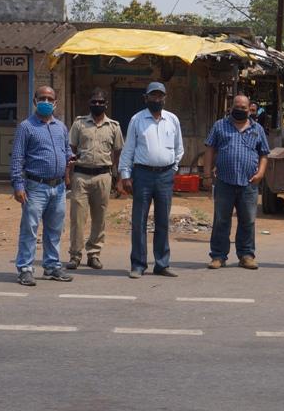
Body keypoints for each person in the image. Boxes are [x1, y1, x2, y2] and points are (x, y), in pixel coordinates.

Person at [118, 82, 185, 279]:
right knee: (139, 221)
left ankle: (162, 264)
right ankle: (138, 264)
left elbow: (179, 148)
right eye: (153, 96)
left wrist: (172, 169)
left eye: (160, 96)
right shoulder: (137, 120)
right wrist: (125, 175)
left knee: (163, 221)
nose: (157, 100)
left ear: (165, 98)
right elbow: (128, 149)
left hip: (165, 176)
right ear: (145, 98)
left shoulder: (172, 120)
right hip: (142, 175)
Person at [11, 85, 74, 285]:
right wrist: (18, 185)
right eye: (42, 98)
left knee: (55, 229)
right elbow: (17, 158)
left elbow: (66, 151)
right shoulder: (26, 127)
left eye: (50, 98)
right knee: (30, 228)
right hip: (35, 186)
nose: (46, 102)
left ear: (56, 102)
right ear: (35, 101)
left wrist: (70, 162)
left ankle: (52, 266)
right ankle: (25, 268)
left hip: (58, 186)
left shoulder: (61, 127)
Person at [204, 94, 270, 269]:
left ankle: (246, 255)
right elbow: (210, 149)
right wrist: (207, 175)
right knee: (221, 220)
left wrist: (261, 173)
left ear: (250, 109)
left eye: (243, 107)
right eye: (237, 106)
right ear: (231, 107)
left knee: (248, 220)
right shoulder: (220, 126)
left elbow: (264, 154)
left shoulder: (257, 129)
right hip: (224, 181)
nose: (240, 110)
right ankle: (218, 256)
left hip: (249, 183)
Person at [67, 89, 123, 270]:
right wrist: (68, 175)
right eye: (94, 102)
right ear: (89, 103)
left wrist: (116, 176)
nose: (97, 105)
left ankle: (94, 254)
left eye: (100, 102)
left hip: (103, 176)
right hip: (81, 176)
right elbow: (70, 150)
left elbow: (118, 152)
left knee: (100, 218)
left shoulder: (114, 126)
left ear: (106, 104)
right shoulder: (79, 124)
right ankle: (75, 255)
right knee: (77, 218)